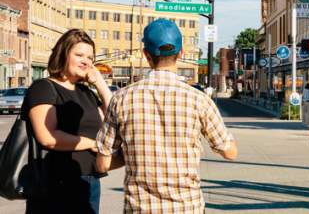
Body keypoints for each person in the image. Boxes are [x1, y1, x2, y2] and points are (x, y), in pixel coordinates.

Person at [95, 19, 237, 212]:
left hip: (140, 208)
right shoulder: (198, 100)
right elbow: (229, 152)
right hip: (187, 207)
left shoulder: (121, 98)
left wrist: (135, 154)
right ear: (181, 53)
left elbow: (103, 163)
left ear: (146, 55)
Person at [21, 29, 116, 214]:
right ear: (63, 54)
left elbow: (113, 117)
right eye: (79, 54)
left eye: (90, 57)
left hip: (88, 181)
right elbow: (47, 137)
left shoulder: (85, 92)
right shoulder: (43, 87)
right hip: (53, 183)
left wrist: (100, 84)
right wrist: (91, 144)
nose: (86, 61)